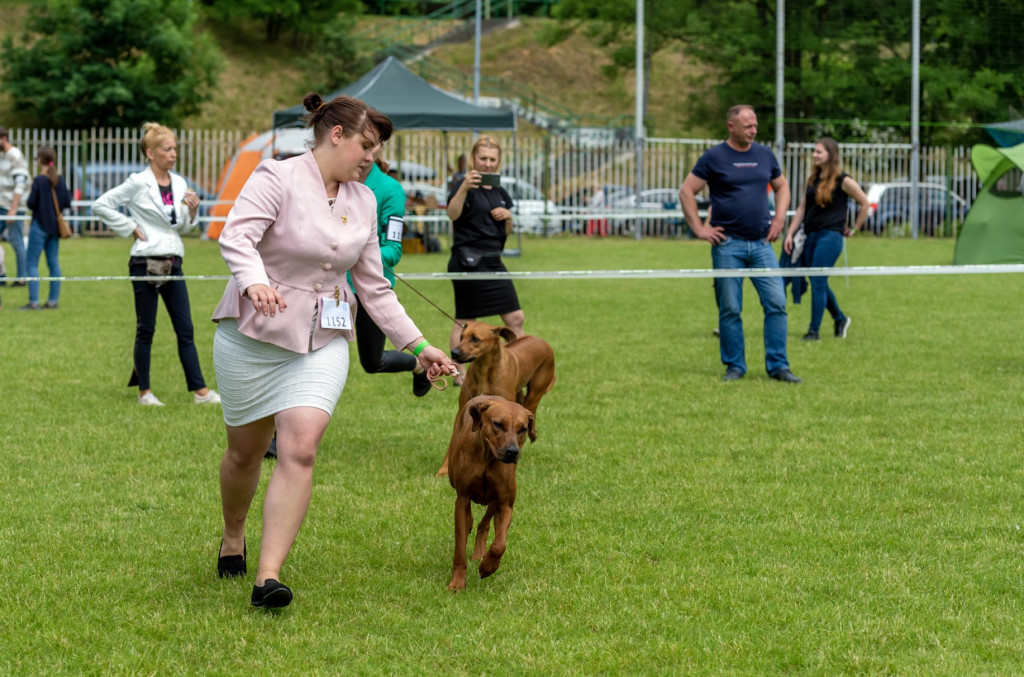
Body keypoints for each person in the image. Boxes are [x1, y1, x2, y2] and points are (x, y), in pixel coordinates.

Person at [211, 93, 457, 609]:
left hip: (323, 337)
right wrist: (254, 282)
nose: (372, 157)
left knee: (300, 446)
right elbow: (237, 237)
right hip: (253, 333)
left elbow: (374, 288)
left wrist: (420, 346)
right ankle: (233, 536)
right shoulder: (276, 177)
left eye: (379, 148)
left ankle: (268, 577)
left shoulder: (364, 200)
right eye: (366, 145)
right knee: (244, 452)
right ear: (336, 135)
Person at [93, 122, 221, 407]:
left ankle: (200, 392)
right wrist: (129, 227)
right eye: (167, 149)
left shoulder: (179, 183)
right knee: (146, 329)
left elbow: (183, 227)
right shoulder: (137, 182)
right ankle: (145, 393)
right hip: (144, 262)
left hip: (174, 260)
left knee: (185, 328)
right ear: (150, 153)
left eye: (175, 148)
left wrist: (192, 211)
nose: (173, 154)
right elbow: (101, 204)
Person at [679, 104, 801, 383]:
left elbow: (782, 186)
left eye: (755, 125)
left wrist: (779, 218)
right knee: (730, 308)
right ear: (731, 126)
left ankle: (779, 366)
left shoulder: (764, 154)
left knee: (776, 303)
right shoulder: (714, 157)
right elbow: (687, 190)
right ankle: (735, 366)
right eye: (748, 126)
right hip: (727, 245)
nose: (754, 130)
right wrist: (699, 228)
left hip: (761, 244)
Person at [446, 137, 523, 382]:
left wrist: (509, 217)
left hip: (494, 262)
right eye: (483, 158)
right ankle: (460, 374)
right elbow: (452, 214)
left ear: (498, 161)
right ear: (473, 159)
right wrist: (465, 187)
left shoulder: (501, 192)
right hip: (467, 261)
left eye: (492, 159)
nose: (487, 164)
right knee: (466, 321)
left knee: (515, 317)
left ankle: (517, 365)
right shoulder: (461, 184)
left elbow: (506, 233)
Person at [783, 137, 868, 341]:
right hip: (810, 234)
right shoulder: (813, 179)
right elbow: (802, 208)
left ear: (830, 154)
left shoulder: (843, 180)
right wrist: (790, 233)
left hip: (830, 236)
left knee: (818, 280)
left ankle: (814, 331)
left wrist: (855, 228)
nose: (814, 155)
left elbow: (864, 203)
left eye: (819, 152)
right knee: (817, 280)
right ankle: (839, 318)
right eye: (814, 151)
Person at [22, 146, 71, 310]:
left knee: (31, 264)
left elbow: (30, 203)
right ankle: (52, 301)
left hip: (39, 226)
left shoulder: (39, 180)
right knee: (53, 263)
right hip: (54, 229)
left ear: (40, 160)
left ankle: (34, 301)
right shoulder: (60, 179)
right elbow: (66, 202)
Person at [0, 127, 30, 286]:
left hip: (14, 207)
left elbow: (20, 183)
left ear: (4, 138)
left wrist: (13, 209)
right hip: (2, 204)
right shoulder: (2, 155)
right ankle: (2, 276)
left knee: (17, 244)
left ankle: (21, 279)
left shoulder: (15, 155)